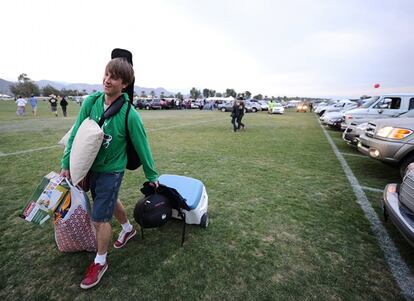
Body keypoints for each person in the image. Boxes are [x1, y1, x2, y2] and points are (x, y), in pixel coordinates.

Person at [60, 58, 159, 289]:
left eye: (114, 77)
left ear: (124, 84)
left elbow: (143, 145)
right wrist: (66, 162)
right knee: (109, 201)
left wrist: (152, 175)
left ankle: (100, 261)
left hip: (111, 171)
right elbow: (76, 132)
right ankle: (128, 229)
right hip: (89, 167)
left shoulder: (129, 115)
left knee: (99, 218)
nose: (107, 80)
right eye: (106, 74)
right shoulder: (91, 102)